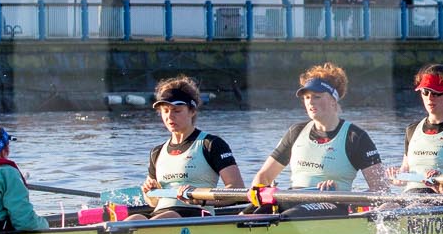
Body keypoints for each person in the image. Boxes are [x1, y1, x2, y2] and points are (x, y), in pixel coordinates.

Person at [250, 62, 390, 208]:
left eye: (317, 96)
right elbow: (264, 177)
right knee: (252, 212)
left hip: (334, 205)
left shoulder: (355, 137)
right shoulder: (296, 132)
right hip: (293, 200)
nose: (310, 102)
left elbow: (381, 189)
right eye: (307, 97)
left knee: (285, 215)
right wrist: (258, 192)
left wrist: (344, 199)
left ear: (333, 101)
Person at [140, 76, 242, 218]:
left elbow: (237, 190)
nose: (170, 117)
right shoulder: (156, 152)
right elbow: (153, 202)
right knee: (133, 219)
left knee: (165, 217)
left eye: (177, 111)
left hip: (196, 214)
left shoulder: (211, 144)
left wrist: (202, 198)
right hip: (161, 215)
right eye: (165, 110)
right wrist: (149, 192)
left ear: (192, 111)